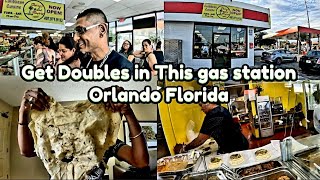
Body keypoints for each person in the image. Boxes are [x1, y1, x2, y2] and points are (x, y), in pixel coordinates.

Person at [18, 87, 150, 179]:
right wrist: (23, 113)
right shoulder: (54, 136)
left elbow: (141, 162)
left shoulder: (104, 142)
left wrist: (128, 112)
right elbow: (26, 151)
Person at [174, 102, 249, 154]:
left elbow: (200, 140)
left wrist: (184, 148)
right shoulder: (221, 109)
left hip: (236, 148)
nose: (201, 109)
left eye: (201, 105)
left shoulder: (213, 115)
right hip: (240, 143)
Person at [73, 8, 133, 73]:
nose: (75, 38)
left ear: (102, 30)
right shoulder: (85, 61)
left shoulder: (124, 68)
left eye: (80, 30)